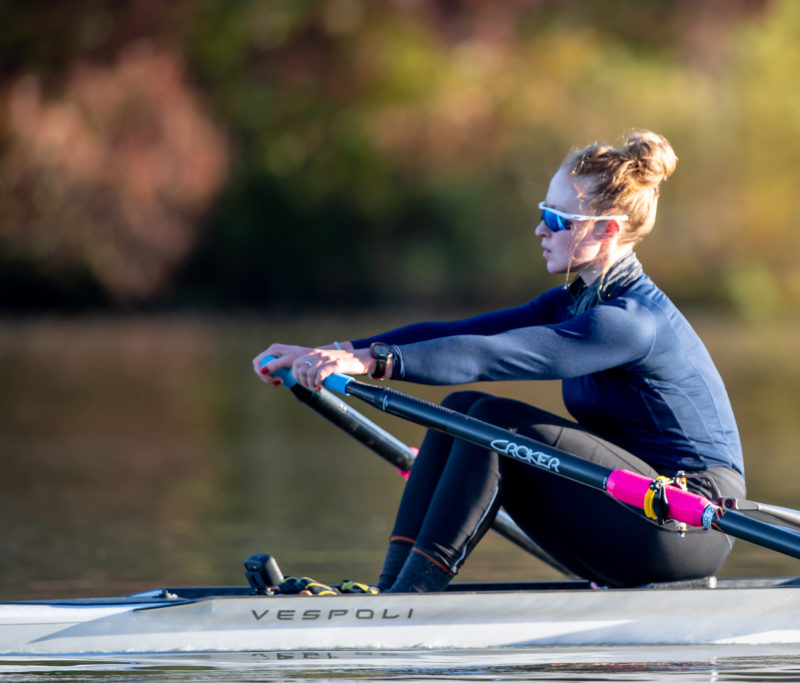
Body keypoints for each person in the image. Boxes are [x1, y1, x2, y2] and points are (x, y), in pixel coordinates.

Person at [253, 130, 745, 593]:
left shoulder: (629, 321)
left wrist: (372, 362)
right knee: (460, 410)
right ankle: (393, 590)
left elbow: (491, 355)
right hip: (634, 506)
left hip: (689, 523)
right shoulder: (575, 301)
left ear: (609, 229)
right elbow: (465, 334)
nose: (540, 229)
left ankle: (410, 599)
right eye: (543, 212)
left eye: (558, 219)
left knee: (491, 420)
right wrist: (339, 351)